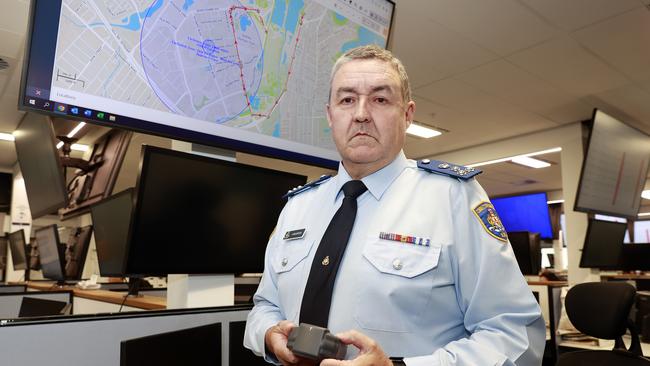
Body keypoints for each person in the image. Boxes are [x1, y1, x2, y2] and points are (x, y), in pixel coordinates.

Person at [244, 45, 545, 366]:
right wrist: (268, 334)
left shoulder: (454, 198)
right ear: (330, 116)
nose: (361, 113)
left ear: (408, 114)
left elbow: (515, 335)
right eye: (347, 100)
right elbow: (264, 305)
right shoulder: (297, 206)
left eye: (380, 99)